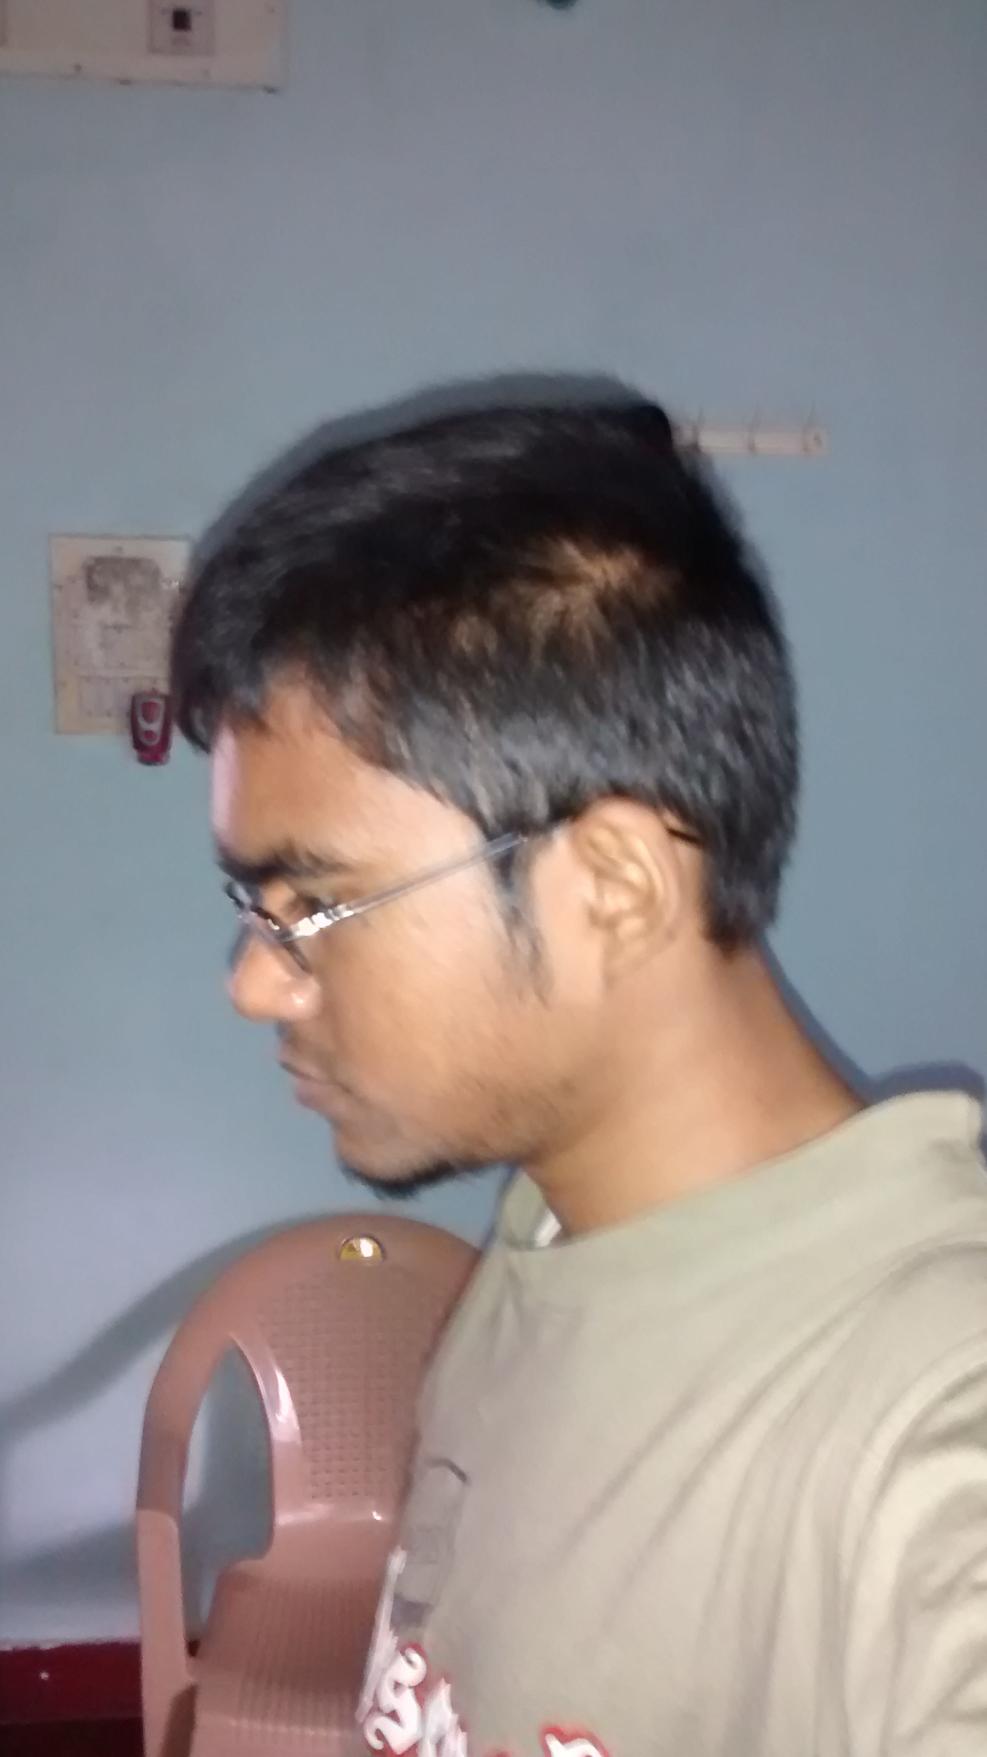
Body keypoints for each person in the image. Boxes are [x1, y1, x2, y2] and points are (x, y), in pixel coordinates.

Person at [172, 395, 987, 1756]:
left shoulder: (933, 1411)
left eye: (311, 903)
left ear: (611, 884)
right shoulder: (549, 1244)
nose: (254, 980)